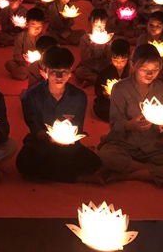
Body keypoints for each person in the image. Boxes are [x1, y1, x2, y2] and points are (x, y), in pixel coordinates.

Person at [97, 44, 163, 185]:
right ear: (133, 65)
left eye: (155, 69)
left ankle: (131, 174)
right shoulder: (120, 88)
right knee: (108, 156)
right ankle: (151, 170)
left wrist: (162, 126)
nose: (150, 74)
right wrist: (130, 125)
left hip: (152, 148)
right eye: (144, 69)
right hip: (123, 144)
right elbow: (115, 123)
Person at [16, 47, 102, 183]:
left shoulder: (79, 97)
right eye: (54, 72)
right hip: (42, 145)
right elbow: (36, 130)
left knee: (94, 162)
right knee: (24, 162)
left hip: (68, 147)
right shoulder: (32, 96)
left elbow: (77, 130)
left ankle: (54, 174)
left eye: (64, 72)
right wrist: (50, 137)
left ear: (70, 71)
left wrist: (68, 140)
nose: (59, 77)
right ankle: (75, 177)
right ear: (45, 70)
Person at [93, 39, 131, 122]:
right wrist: (103, 93)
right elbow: (98, 88)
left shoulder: (132, 72)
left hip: (127, 102)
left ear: (128, 58)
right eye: (115, 60)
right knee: (99, 108)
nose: (119, 63)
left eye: (123, 60)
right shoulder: (106, 71)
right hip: (110, 102)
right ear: (110, 58)